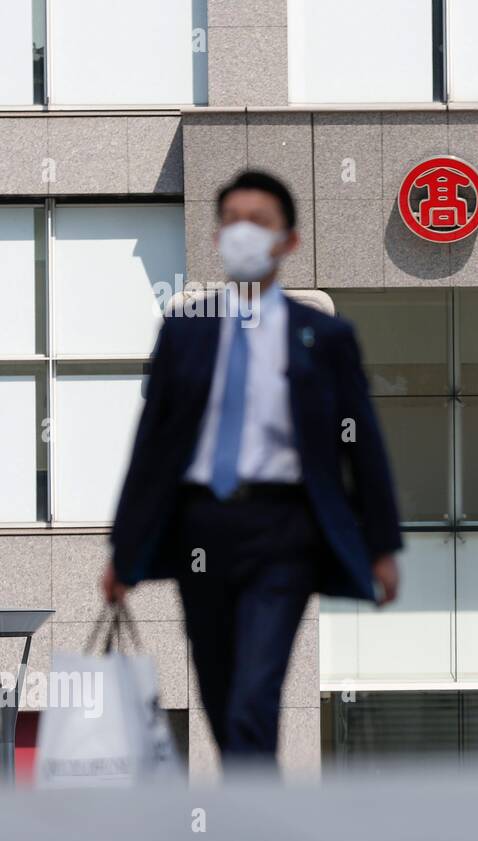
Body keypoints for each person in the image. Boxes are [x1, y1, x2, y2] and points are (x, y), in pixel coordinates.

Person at [101, 170, 402, 761]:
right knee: (218, 695)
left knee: (254, 695)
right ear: (217, 237)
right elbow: (152, 447)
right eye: (232, 220)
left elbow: (360, 444)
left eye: (258, 222)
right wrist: (124, 552)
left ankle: (252, 837)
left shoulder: (324, 336)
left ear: (287, 241)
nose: (242, 233)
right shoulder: (185, 332)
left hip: (284, 531)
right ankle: (252, 810)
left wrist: (382, 546)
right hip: (201, 531)